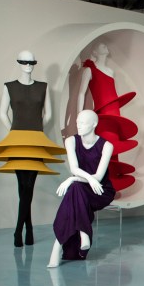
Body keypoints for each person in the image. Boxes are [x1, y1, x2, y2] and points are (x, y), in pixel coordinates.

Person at [0, 51, 66, 247]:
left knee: (29, 185)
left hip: (36, 139)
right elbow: (2, 113)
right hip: (18, 139)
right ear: (19, 63)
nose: (28, 65)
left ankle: (21, 229)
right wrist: (13, 129)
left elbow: (49, 115)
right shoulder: (9, 87)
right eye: (24, 62)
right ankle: (26, 228)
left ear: (34, 64)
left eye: (31, 62)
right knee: (22, 184)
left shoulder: (43, 87)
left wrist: (37, 128)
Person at [47, 110, 116, 268]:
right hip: (81, 189)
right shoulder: (71, 141)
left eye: (83, 123)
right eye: (77, 122)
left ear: (94, 124)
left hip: (100, 191)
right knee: (76, 189)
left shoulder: (107, 145)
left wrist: (73, 179)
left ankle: (57, 247)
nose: (78, 126)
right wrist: (75, 178)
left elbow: (98, 178)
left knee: (74, 188)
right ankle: (83, 232)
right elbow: (74, 168)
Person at [76, 43, 137, 192]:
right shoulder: (89, 70)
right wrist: (80, 116)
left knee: (114, 146)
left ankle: (111, 188)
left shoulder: (111, 71)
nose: (105, 46)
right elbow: (81, 93)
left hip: (115, 113)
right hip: (103, 114)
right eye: (101, 46)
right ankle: (103, 187)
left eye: (105, 45)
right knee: (105, 148)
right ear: (95, 52)